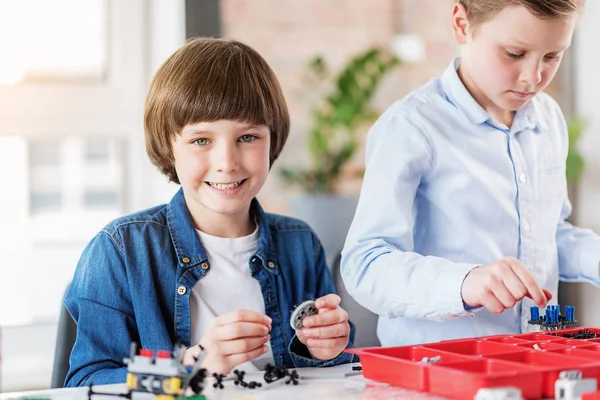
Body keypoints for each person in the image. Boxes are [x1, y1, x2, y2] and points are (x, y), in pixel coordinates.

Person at [64, 37, 355, 387]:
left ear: (272, 139)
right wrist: (189, 368)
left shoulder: (299, 244)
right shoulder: (121, 250)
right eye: (201, 140)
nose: (227, 163)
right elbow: (88, 382)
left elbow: (331, 376)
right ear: (169, 147)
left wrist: (326, 348)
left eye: (247, 137)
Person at [341, 0, 597, 347]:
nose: (533, 78)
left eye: (552, 56)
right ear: (462, 24)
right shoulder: (413, 127)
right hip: (438, 371)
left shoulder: (548, 119)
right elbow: (365, 265)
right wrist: (464, 282)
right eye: (514, 53)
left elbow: (546, 236)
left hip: (535, 358)